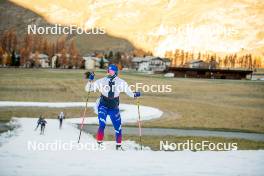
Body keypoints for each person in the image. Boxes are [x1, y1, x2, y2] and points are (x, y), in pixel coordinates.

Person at [85, 64, 141, 150]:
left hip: (114, 107)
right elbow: (88, 89)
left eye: (111, 71)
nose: (108, 72)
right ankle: (99, 144)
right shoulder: (102, 81)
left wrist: (135, 94)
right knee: (102, 124)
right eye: (108, 71)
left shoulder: (121, 82)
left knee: (118, 127)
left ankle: (118, 146)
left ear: (115, 72)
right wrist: (90, 80)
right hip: (103, 105)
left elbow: (129, 93)